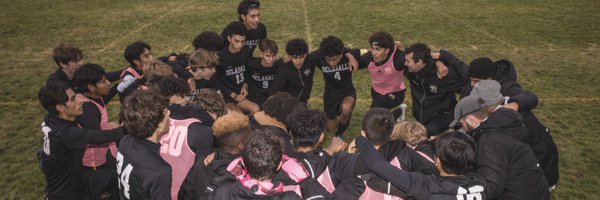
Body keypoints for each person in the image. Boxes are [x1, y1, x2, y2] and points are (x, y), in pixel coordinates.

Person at [460, 57, 559, 189]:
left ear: (489, 79)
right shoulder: (478, 86)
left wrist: (515, 104)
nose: (472, 84)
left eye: (476, 81)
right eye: (471, 80)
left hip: (540, 154)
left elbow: (531, 98)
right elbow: (458, 65)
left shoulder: (507, 88)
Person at [450, 89, 550, 199]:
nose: (462, 127)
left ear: (470, 120)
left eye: (461, 123)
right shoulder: (502, 124)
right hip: (534, 188)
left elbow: (490, 187)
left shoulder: (489, 142)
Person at [37, 81, 124, 200]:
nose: (80, 101)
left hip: (75, 178)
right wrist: (135, 126)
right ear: (60, 107)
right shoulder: (67, 133)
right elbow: (103, 137)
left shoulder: (51, 119)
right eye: (73, 99)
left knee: (114, 177)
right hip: (69, 193)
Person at [355, 131, 486, 200]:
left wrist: (361, 140)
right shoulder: (480, 183)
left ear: (438, 161)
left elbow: (377, 164)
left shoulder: (428, 187)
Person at [203, 130, 330, 200]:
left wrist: (226, 174)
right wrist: (306, 180)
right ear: (279, 164)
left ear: (244, 163)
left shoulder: (224, 192)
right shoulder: (289, 198)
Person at [150, 76, 214, 199]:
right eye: (183, 95)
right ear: (173, 97)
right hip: (183, 188)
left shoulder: (148, 116)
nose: (187, 99)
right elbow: (213, 124)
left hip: (154, 187)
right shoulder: (194, 113)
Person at [74, 63, 120, 200]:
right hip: (92, 163)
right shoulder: (86, 109)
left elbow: (103, 101)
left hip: (102, 156)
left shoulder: (94, 96)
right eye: (103, 81)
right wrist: (126, 129)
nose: (108, 83)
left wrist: (120, 86)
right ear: (91, 87)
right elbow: (98, 137)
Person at [116, 90, 173, 200]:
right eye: (165, 112)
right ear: (159, 125)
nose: (169, 113)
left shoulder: (126, 141)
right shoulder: (159, 171)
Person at [404, 43, 465, 137]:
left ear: (419, 61)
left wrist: (463, 113)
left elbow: (467, 87)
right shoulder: (410, 70)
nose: (405, 63)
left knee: (423, 134)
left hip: (443, 115)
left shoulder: (444, 74)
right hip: (421, 115)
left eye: (408, 61)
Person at [312, 36, 360, 138]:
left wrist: (350, 56)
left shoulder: (349, 55)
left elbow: (369, 51)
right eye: (328, 60)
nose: (331, 63)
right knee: (331, 129)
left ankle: (340, 133)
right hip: (330, 95)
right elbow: (303, 56)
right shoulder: (318, 57)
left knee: (346, 110)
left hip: (347, 91)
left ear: (341, 55)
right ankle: (338, 115)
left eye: (334, 59)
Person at [359, 31, 408, 121]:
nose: (373, 53)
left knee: (373, 117)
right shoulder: (368, 58)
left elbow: (419, 58)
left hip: (396, 93)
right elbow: (351, 61)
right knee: (380, 119)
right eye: (372, 48)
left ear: (387, 50)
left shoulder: (399, 59)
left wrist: (440, 61)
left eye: (377, 49)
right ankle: (400, 110)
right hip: (376, 92)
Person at [217, 21, 260, 114]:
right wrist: (233, 95)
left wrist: (245, 85)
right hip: (228, 95)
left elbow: (248, 71)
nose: (240, 45)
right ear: (229, 38)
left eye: (242, 41)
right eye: (236, 41)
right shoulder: (221, 57)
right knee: (240, 116)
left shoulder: (246, 51)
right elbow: (217, 80)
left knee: (257, 109)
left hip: (243, 91)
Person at [245, 38, 281, 105]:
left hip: (271, 99)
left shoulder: (279, 64)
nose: (271, 59)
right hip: (255, 99)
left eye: (273, 56)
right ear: (261, 54)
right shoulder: (251, 64)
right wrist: (244, 86)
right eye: (267, 56)